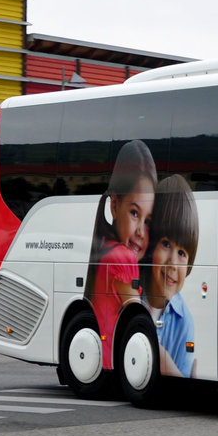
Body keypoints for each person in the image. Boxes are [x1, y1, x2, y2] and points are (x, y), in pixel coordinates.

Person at [84, 140, 156, 370]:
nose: (140, 232)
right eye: (134, 213)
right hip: (114, 360)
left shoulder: (104, 246)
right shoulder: (122, 257)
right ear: (114, 205)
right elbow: (143, 320)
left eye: (147, 221)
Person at [140, 174, 198, 379]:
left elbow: (182, 381)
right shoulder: (130, 295)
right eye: (166, 244)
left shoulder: (185, 322)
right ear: (150, 244)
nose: (173, 263)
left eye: (182, 253)